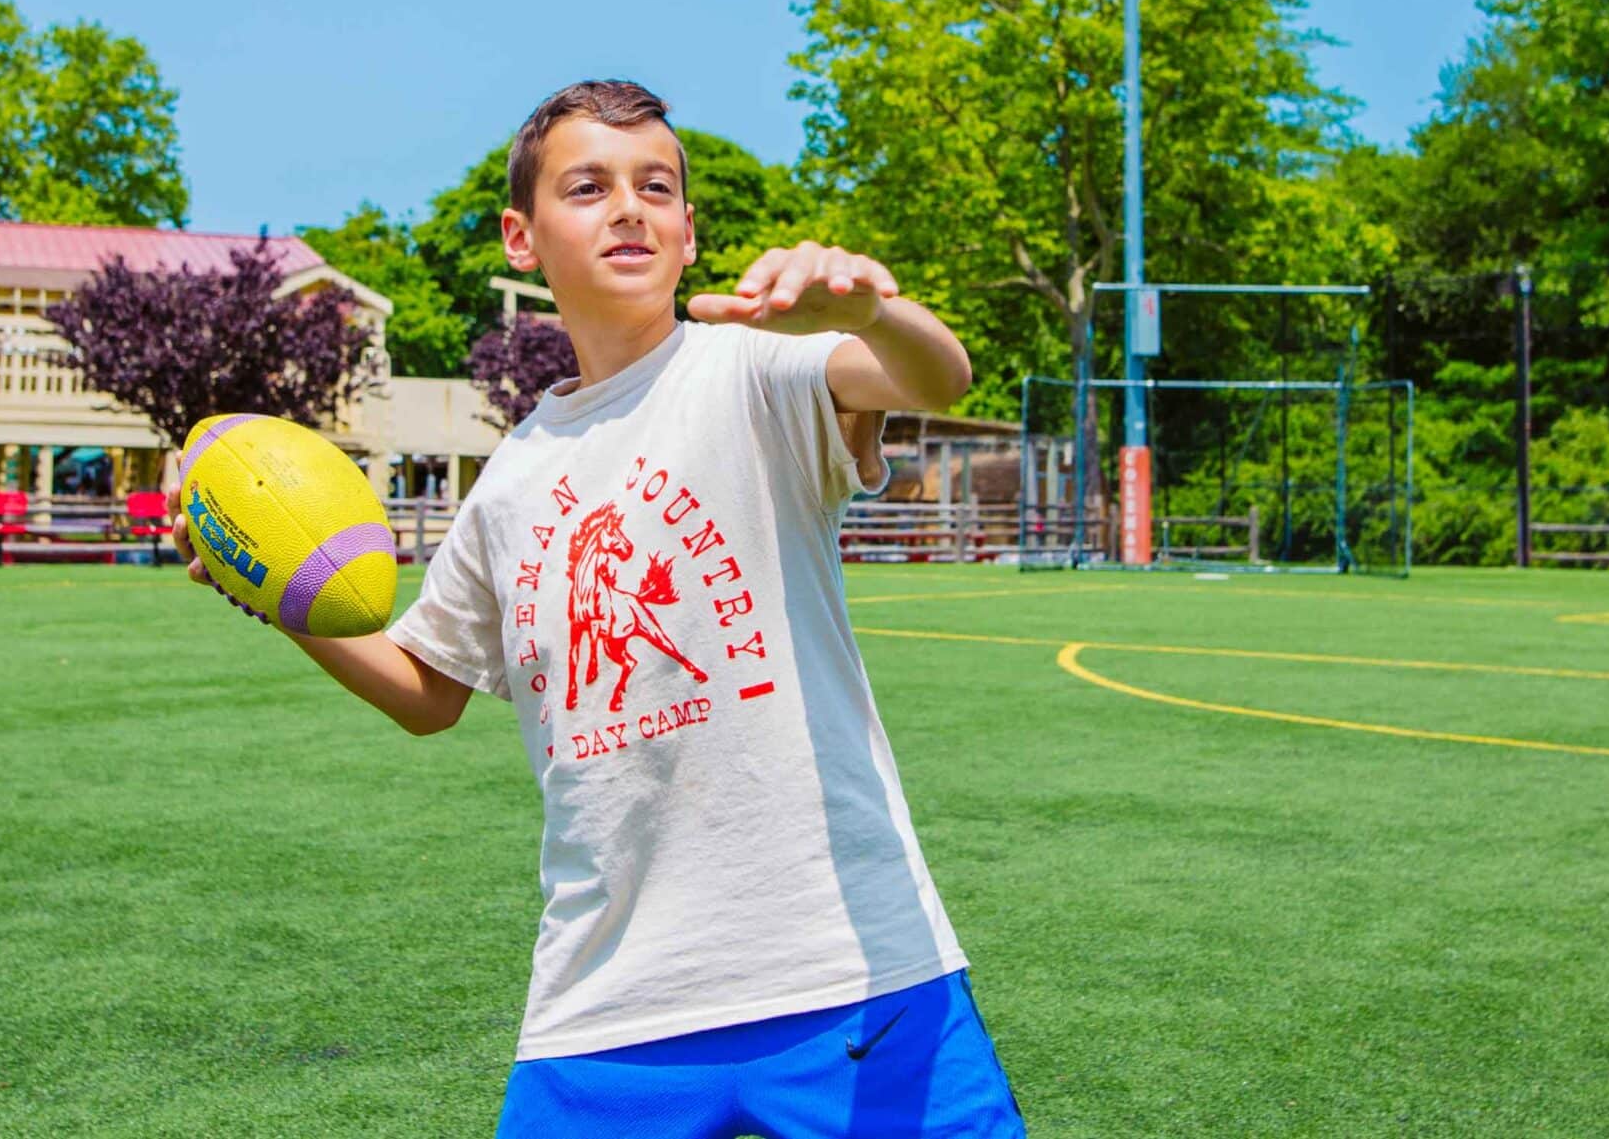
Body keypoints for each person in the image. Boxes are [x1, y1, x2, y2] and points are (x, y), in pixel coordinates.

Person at [173, 79, 1024, 1138]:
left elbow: (933, 376)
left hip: (850, 970)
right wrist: (283, 598)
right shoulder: (513, 477)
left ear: (688, 230)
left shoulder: (756, 370)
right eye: (589, 186)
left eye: (655, 186)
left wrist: (870, 310)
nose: (629, 207)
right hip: (606, 1001)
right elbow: (427, 693)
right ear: (521, 238)